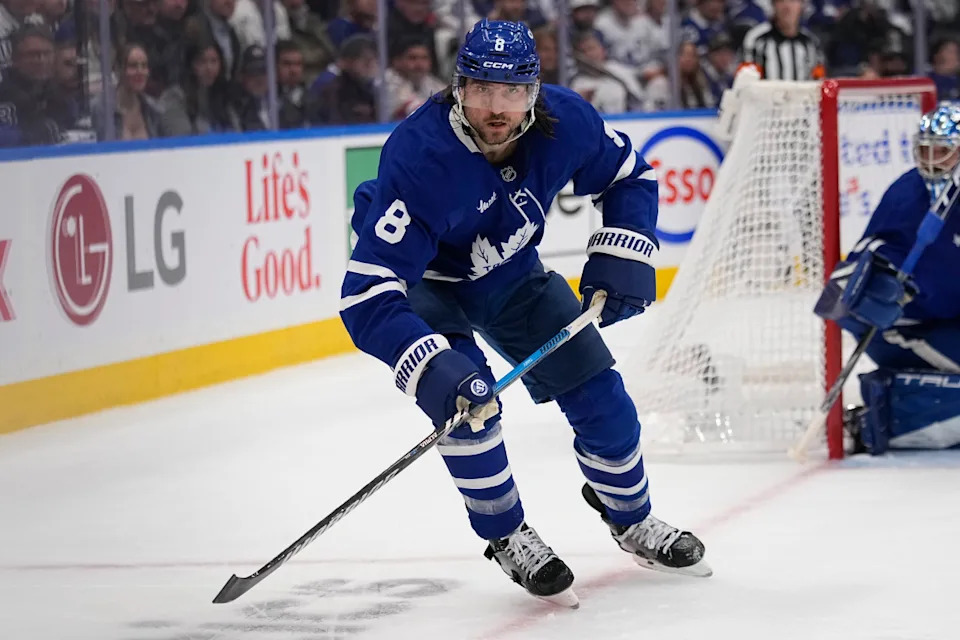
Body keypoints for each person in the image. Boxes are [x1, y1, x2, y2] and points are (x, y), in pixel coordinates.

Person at [339, 19, 711, 608]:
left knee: (605, 403)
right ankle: (507, 534)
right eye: (482, 88)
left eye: (511, 90)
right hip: (427, 282)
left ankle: (631, 518)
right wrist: (429, 366)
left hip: (511, 274)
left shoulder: (565, 123)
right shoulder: (420, 158)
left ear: (534, 91)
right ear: (458, 87)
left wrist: (624, 251)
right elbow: (365, 293)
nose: (496, 106)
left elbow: (629, 174)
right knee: (469, 407)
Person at [815, 102, 960, 456]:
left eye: (941, 151)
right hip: (907, 329)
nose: (930, 160)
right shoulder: (907, 195)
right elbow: (844, 291)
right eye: (924, 150)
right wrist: (876, 292)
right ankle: (874, 419)